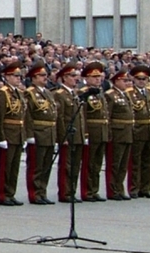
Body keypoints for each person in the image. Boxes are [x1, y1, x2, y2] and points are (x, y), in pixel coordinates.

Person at [24, 62, 58, 205]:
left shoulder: (48, 93)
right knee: (36, 166)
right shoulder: (29, 93)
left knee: (46, 166)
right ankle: (34, 194)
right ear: (34, 77)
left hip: (49, 133)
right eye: (42, 75)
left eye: (46, 75)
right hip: (38, 133)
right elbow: (28, 116)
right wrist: (29, 135)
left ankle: (42, 192)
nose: (45, 77)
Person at [0, 61, 26, 206]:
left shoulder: (19, 93)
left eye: (19, 76)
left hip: (18, 133)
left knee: (14, 167)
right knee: (5, 167)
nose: (18, 78)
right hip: (8, 132)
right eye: (15, 76)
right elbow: (0, 116)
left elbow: (22, 116)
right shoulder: (3, 93)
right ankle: (3, 194)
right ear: (7, 77)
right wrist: (1, 136)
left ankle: (11, 193)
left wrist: (23, 135)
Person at [53, 65, 84, 203]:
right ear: (64, 78)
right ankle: (65, 193)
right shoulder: (60, 94)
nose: (75, 79)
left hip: (77, 135)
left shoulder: (74, 94)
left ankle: (72, 191)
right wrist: (62, 136)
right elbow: (60, 117)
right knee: (66, 165)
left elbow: (81, 117)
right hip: (68, 135)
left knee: (75, 166)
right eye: (72, 76)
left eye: (76, 76)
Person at [128, 64, 150, 197]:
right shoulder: (129, 93)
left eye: (144, 79)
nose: (142, 81)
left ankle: (145, 189)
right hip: (138, 129)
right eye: (139, 78)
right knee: (135, 161)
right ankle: (134, 188)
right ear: (134, 79)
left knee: (148, 161)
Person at [81, 61, 109, 202]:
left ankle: (94, 189)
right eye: (94, 77)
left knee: (97, 164)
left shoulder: (100, 93)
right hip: (91, 131)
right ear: (86, 78)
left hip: (101, 131)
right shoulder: (84, 93)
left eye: (99, 77)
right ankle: (87, 191)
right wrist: (85, 133)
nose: (98, 79)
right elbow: (83, 115)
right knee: (89, 163)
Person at [105, 69, 134, 200]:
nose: (127, 83)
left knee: (123, 164)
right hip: (117, 132)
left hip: (127, 132)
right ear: (116, 81)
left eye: (128, 80)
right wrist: (109, 133)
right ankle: (112, 190)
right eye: (124, 80)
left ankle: (120, 188)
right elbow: (108, 116)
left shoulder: (125, 94)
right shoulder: (110, 95)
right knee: (115, 163)